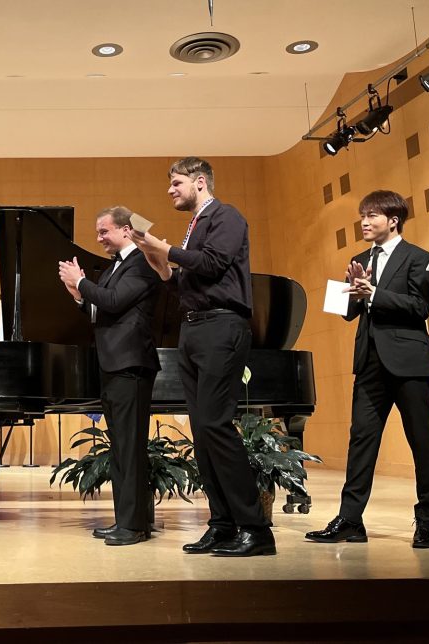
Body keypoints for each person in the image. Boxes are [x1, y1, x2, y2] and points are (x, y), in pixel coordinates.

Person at [132, 157, 274, 557]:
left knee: (216, 424)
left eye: (176, 183)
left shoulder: (227, 216)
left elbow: (213, 263)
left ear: (199, 181)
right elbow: (190, 286)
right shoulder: (195, 225)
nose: (170, 190)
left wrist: (167, 249)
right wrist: (163, 269)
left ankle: (255, 528)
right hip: (194, 329)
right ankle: (222, 524)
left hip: (222, 327)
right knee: (203, 431)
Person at [306, 191, 429, 549]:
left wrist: (375, 292)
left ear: (393, 220)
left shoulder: (420, 257)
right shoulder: (358, 259)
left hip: (409, 362)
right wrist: (350, 293)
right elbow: (348, 313)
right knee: (361, 439)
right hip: (369, 361)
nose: (364, 222)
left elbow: (421, 307)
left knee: (421, 441)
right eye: (362, 216)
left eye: (372, 216)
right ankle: (351, 520)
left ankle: (428, 521)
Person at [59, 206, 161, 546]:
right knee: (120, 449)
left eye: (104, 231)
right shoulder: (115, 267)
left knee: (130, 449)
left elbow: (114, 301)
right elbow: (101, 307)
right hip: (114, 364)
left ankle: (133, 527)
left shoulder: (142, 262)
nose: (99, 237)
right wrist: (79, 296)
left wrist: (81, 281)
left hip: (130, 366)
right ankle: (127, 521)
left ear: (126, 230)